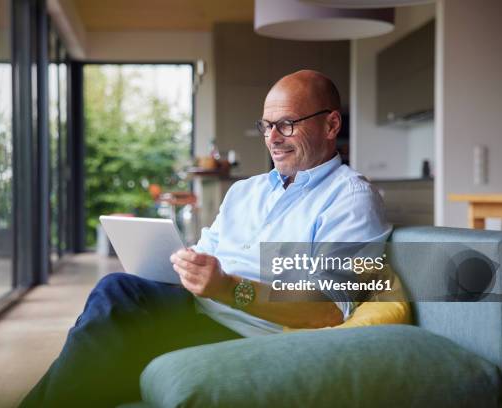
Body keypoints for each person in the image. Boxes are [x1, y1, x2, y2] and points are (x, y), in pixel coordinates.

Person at [20, 70, 390, 407]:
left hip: (252, 335)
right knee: (116, 300)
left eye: (287, 124)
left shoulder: (351, 200)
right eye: (266, 125)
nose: (272, 138)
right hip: (197, 310)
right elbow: (205, 252)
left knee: (113, 308)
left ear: (331, 125)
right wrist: (185, 264)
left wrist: (227, 288)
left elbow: (326, 309)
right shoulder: (246, 191)